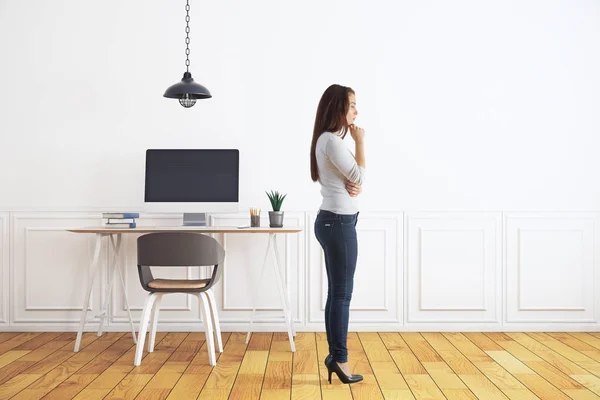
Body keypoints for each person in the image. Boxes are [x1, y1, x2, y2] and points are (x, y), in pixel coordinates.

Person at [310, 84, 365, 384]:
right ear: (338, 109)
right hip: (339, 224)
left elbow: (354, 180)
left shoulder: (326, 141)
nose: (357, 111)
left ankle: (335, 356)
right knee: (342, 295)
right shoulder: (332, 141)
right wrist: (360, 142)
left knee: (337, 294)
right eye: (352, 105)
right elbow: (360, 175)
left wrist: (356, 182)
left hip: (333, 221)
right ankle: (340, 360)